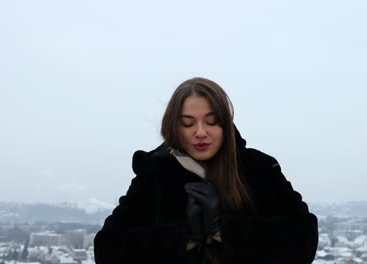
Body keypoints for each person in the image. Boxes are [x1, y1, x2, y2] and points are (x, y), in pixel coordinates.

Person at [94, 77, 319, 264]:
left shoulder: (258, 169)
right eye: (188, 123)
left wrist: (223, 229)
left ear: (225, 125)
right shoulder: (154, 173)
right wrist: (186, 236)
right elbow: (107, 249)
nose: (200, 132)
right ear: (174, 126)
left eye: (211, 122)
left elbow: (303, 240)